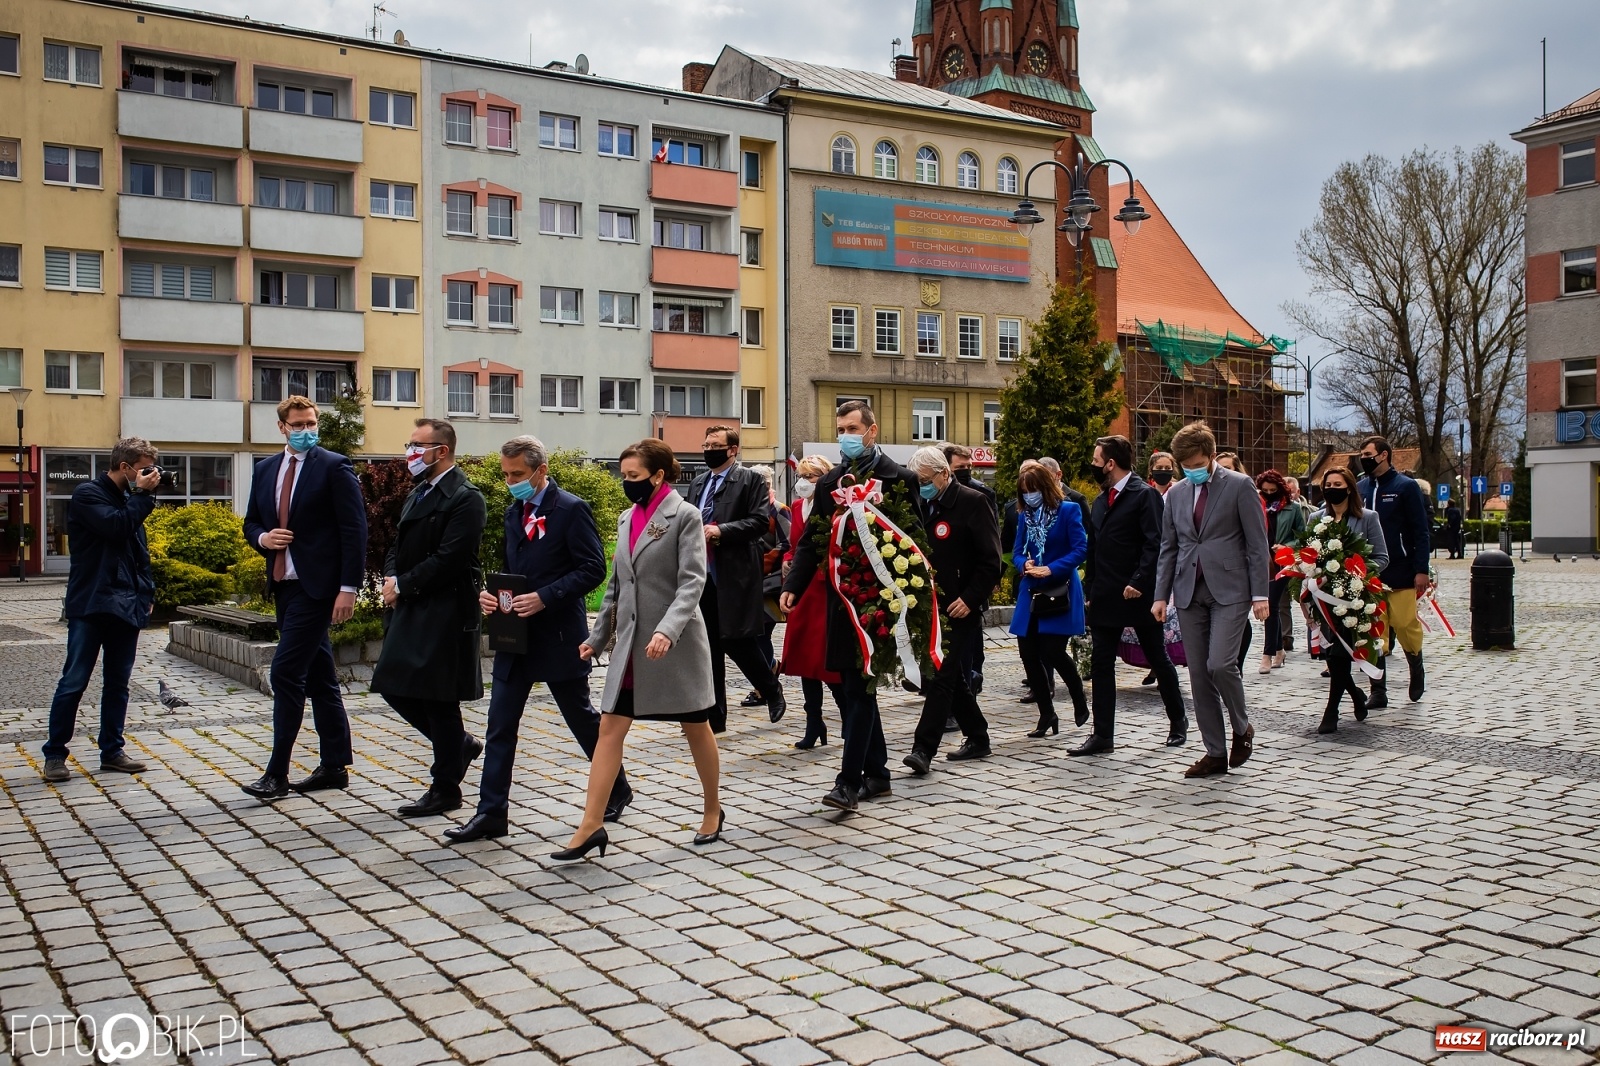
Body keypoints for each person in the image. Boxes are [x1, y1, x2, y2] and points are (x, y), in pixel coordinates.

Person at [447, 436, 626, 844]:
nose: (510, 482)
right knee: (499, 725)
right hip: (515, 636)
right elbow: (513, 569)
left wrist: (546, 596)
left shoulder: (571, 509)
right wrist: (493, 595)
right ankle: (491, 812)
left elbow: (593, 569)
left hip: (559, 635)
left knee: (581, 718)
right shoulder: (514, 511)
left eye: (518, 475)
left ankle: (616, 787)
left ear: (541, 471)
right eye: (506, 475)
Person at [557, 439, 723, 860]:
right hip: (632, 646)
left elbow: (692, 581)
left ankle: (712, 810)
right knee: (609, 728)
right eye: (624, 475)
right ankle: (591, 824)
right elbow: (616, 587)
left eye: (634, 476)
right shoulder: (627, 517)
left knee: (695, 726)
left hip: (676, 646)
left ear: (658, 475)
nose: (627, 482)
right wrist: (597, 638)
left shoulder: (685, 515)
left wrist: (668, 629)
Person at [780, 400, 921, 812]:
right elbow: (813, 540)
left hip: (879, 602)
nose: (846, 436)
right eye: (840, 429)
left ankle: (848, 783)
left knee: (859, 688)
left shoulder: (899, 479)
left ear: (871, 431)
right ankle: (878, 774)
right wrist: (794, 584)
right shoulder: (830, 483)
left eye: (853, 429)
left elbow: (915, 540)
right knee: (850, 688)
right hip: (840, 601)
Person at [240, 397, 368, 801]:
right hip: (285, 585)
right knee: (320, 677)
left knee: (284, 673)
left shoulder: (334, 466)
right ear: (282, 427)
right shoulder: (265, 469)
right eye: (298, 425)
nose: (307, 430)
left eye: (312, 423)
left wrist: (348, 588)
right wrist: (264, 538)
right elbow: (251, 522)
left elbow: (354, 530)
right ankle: (334, 766)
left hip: (318, 588)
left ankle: (276, 774)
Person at [372, 419, 489, 818]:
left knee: (438, 698)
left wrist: (404, 585)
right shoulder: (419, 490)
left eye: (417, 445)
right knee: (394, 684)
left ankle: (445, 788)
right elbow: (398, 544)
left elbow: (450, 558)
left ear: (442, 451)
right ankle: (460, 745)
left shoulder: (466, 497)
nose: (410, 452)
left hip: (445, 609)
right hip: (413, 603)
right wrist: (391, 579)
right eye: (410, 444)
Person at [40, 438, 163, 783]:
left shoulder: (129, 498)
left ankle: (112, 751)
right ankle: (55, 754)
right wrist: (142, 496)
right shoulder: (87, 495)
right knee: (74, 681)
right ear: (125, 467)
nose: (151, 475)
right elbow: (116, 527)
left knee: (118, 683)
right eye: (144, 469)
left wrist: (146, 591)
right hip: (92, 603)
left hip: (127, 602)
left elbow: (139, 553)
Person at [1153, 421, 1271, 778]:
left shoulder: (1239, 485)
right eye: (1185, 465)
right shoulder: (1176, 494)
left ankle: (1242, 726)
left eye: (1196, 463)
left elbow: (1257, 544)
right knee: (1199, 675)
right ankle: (1215, 752)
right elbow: (1169, 547)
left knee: (1220, 664)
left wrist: (1260, 594)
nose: (1191, 470)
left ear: (1211, 455)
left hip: (1230, 590)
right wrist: (1161, 596)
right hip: (1189, 590)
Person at [1081, 435, 1188, 754]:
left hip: (1137, 594)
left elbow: (1156, 544)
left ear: (1110, 464)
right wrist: (1090, 588)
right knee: (1101, 664)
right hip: (1105, 595)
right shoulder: (1101, 500)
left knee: (1157, 656)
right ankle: (1102, 735)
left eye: (1096, 460)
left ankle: (1178, 720)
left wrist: (1140, 581)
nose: (1093, 465)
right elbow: (1094, 549)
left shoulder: (1144, 495)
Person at [901, 447, 1002, 775]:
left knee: (941, 675)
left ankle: (923, 748)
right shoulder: (921, 504)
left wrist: (971, 598)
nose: (922, 486)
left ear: (944, 474)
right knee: (952, 676)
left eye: (925, 480)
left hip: (961, 607)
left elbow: (991, 560)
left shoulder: (973, 502)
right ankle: (978, 736)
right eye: (918, 481)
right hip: (930, 606)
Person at [689, 427, 786, 732]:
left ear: (732, 449)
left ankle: (770, 688)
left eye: (715, 445)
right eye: (706, 444)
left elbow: (759, 522)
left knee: (736, 639)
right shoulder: (698, 482)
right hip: (700, 572)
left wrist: (722, 530)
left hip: (734, 572)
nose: (709, 449)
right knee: (707, 647)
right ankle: (714, 717)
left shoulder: (750, 479)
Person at [1009, 463, 1090, 739]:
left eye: (1032, 490)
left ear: (1045, 487)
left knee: (1053, 652)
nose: (1029, 496)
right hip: (1031, 589)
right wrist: (1024, 564)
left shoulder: (1069, 510)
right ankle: (1047, 714)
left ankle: (1078, 696)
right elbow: (1017, 551)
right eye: (1024, 491)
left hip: (1059, 588)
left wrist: (1051, 568)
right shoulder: (1024, 516)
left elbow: (1080, 549)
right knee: (1028, 654)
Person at [1309, 468, 1388, 733]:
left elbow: (1382, 557)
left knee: (1340, 653)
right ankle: (1355, 694)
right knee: (1333, 654)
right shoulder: (1316, 518)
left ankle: (1331, 711)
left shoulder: (1368, 518)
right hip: (1325, 598)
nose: (1333, 489)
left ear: (1350, 488)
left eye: (1338, 484)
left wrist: (1358, 573)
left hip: (1356, 598)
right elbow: (1307, 554)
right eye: (1328, 484)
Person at [1356, 436, 1431, 707]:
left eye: (1368, 454)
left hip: (1400, 568)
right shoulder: (1361, 487)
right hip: (1369, 570)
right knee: (1373, 630)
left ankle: (1416, 665)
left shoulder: (1405, 487)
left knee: (1404, 623)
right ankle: (1378, 690)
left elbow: (1420, 530)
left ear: (1384, 455)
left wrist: (1421, 569)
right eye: (1362, 454)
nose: (1363, 459)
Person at [781, 454, 844, 750]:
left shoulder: (836, 506)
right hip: (801, 590)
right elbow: (796, 545)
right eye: (802, 476)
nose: (804, 482)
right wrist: (788, 559)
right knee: (805, 660)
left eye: (811, 476)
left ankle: (848, 718)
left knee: (826, 659)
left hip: (825, 588)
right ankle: (814, 721)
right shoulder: (796, 507)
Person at [943, 442, 997, 700]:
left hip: (971, 582)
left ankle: (972, 678)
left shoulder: (980, 495)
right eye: (959, 468)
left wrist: (986, 583)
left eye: (968, 467)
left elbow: (992, 543)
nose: (965, 472)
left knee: (971, 643)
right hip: (946, 582)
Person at [737, 464, 789, 710]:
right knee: (751, 634)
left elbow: (787, 543)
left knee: (761, 633)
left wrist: (761, 563)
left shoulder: (779, 510)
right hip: (747, 581)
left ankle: (763, 685)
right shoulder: (745, 509)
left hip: (769, 582)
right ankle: (769, 672)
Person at [1256, 469, 1304, 674]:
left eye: (1272, 490)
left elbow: (1302, 536)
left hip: (1283, 562)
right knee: (1271, 606)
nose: (1268, 493)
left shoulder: (1293, 508)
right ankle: (1279, 650)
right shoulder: (1257, 505)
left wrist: (1287, 546)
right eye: (1265, 490)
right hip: (1261, 560)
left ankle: (1267, 655)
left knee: (1271, 604)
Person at [1280, 477, 1314, 652]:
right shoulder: (1277, 510)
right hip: (1282, 561)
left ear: (1298, 492)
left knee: (1306, 598)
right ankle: (1286, 637)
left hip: (1303, 562)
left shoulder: (1310, 511)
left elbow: (1305, 537)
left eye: (1291, 492)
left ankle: (1314, 633)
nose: (1289, 495)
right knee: (1282, 602)